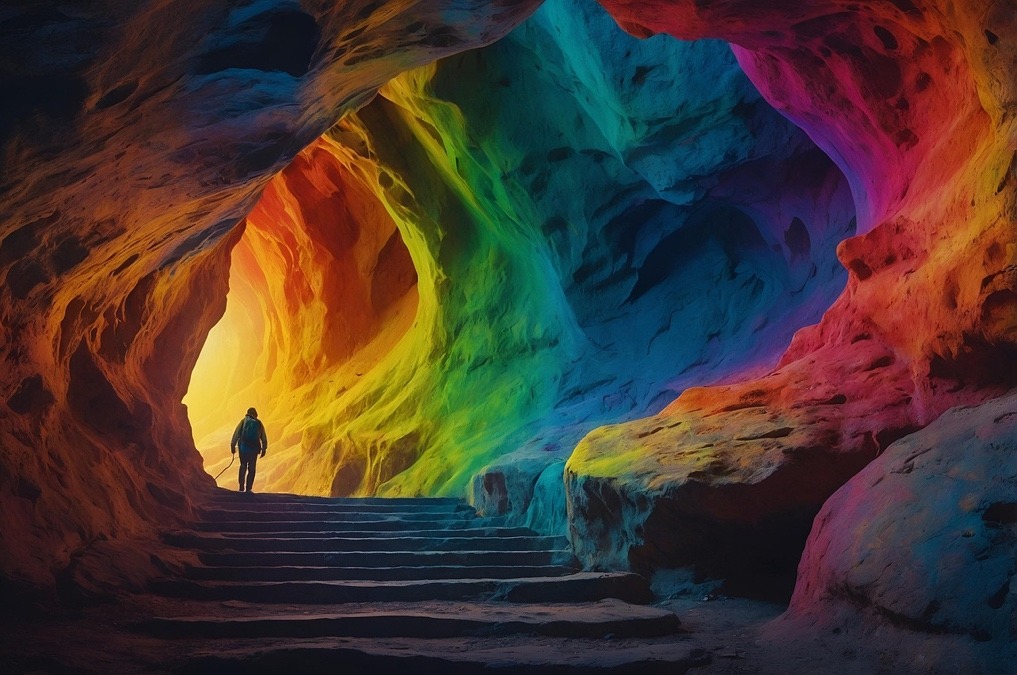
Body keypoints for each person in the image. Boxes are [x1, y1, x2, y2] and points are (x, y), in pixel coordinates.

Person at [231, 407, 267, 493]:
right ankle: (248, 488)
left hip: (243, 448)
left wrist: (233, 446)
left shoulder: (243, 422)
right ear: (255, 414)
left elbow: (236, 434)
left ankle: (241, 487)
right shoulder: (258, 423)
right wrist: (264, 449)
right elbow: (263, 437)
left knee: (243, 466)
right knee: (252, 468)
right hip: (253, 450)